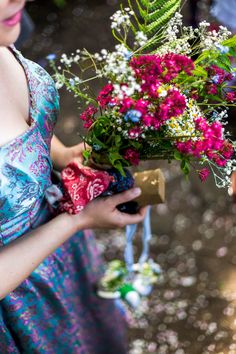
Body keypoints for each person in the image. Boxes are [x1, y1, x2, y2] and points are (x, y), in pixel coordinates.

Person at [0, 1, 147, 353]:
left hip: (61, 246)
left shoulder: (3, 32)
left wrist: (62, 155)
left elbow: (19, 130)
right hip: (22, 295)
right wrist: (75, 221)